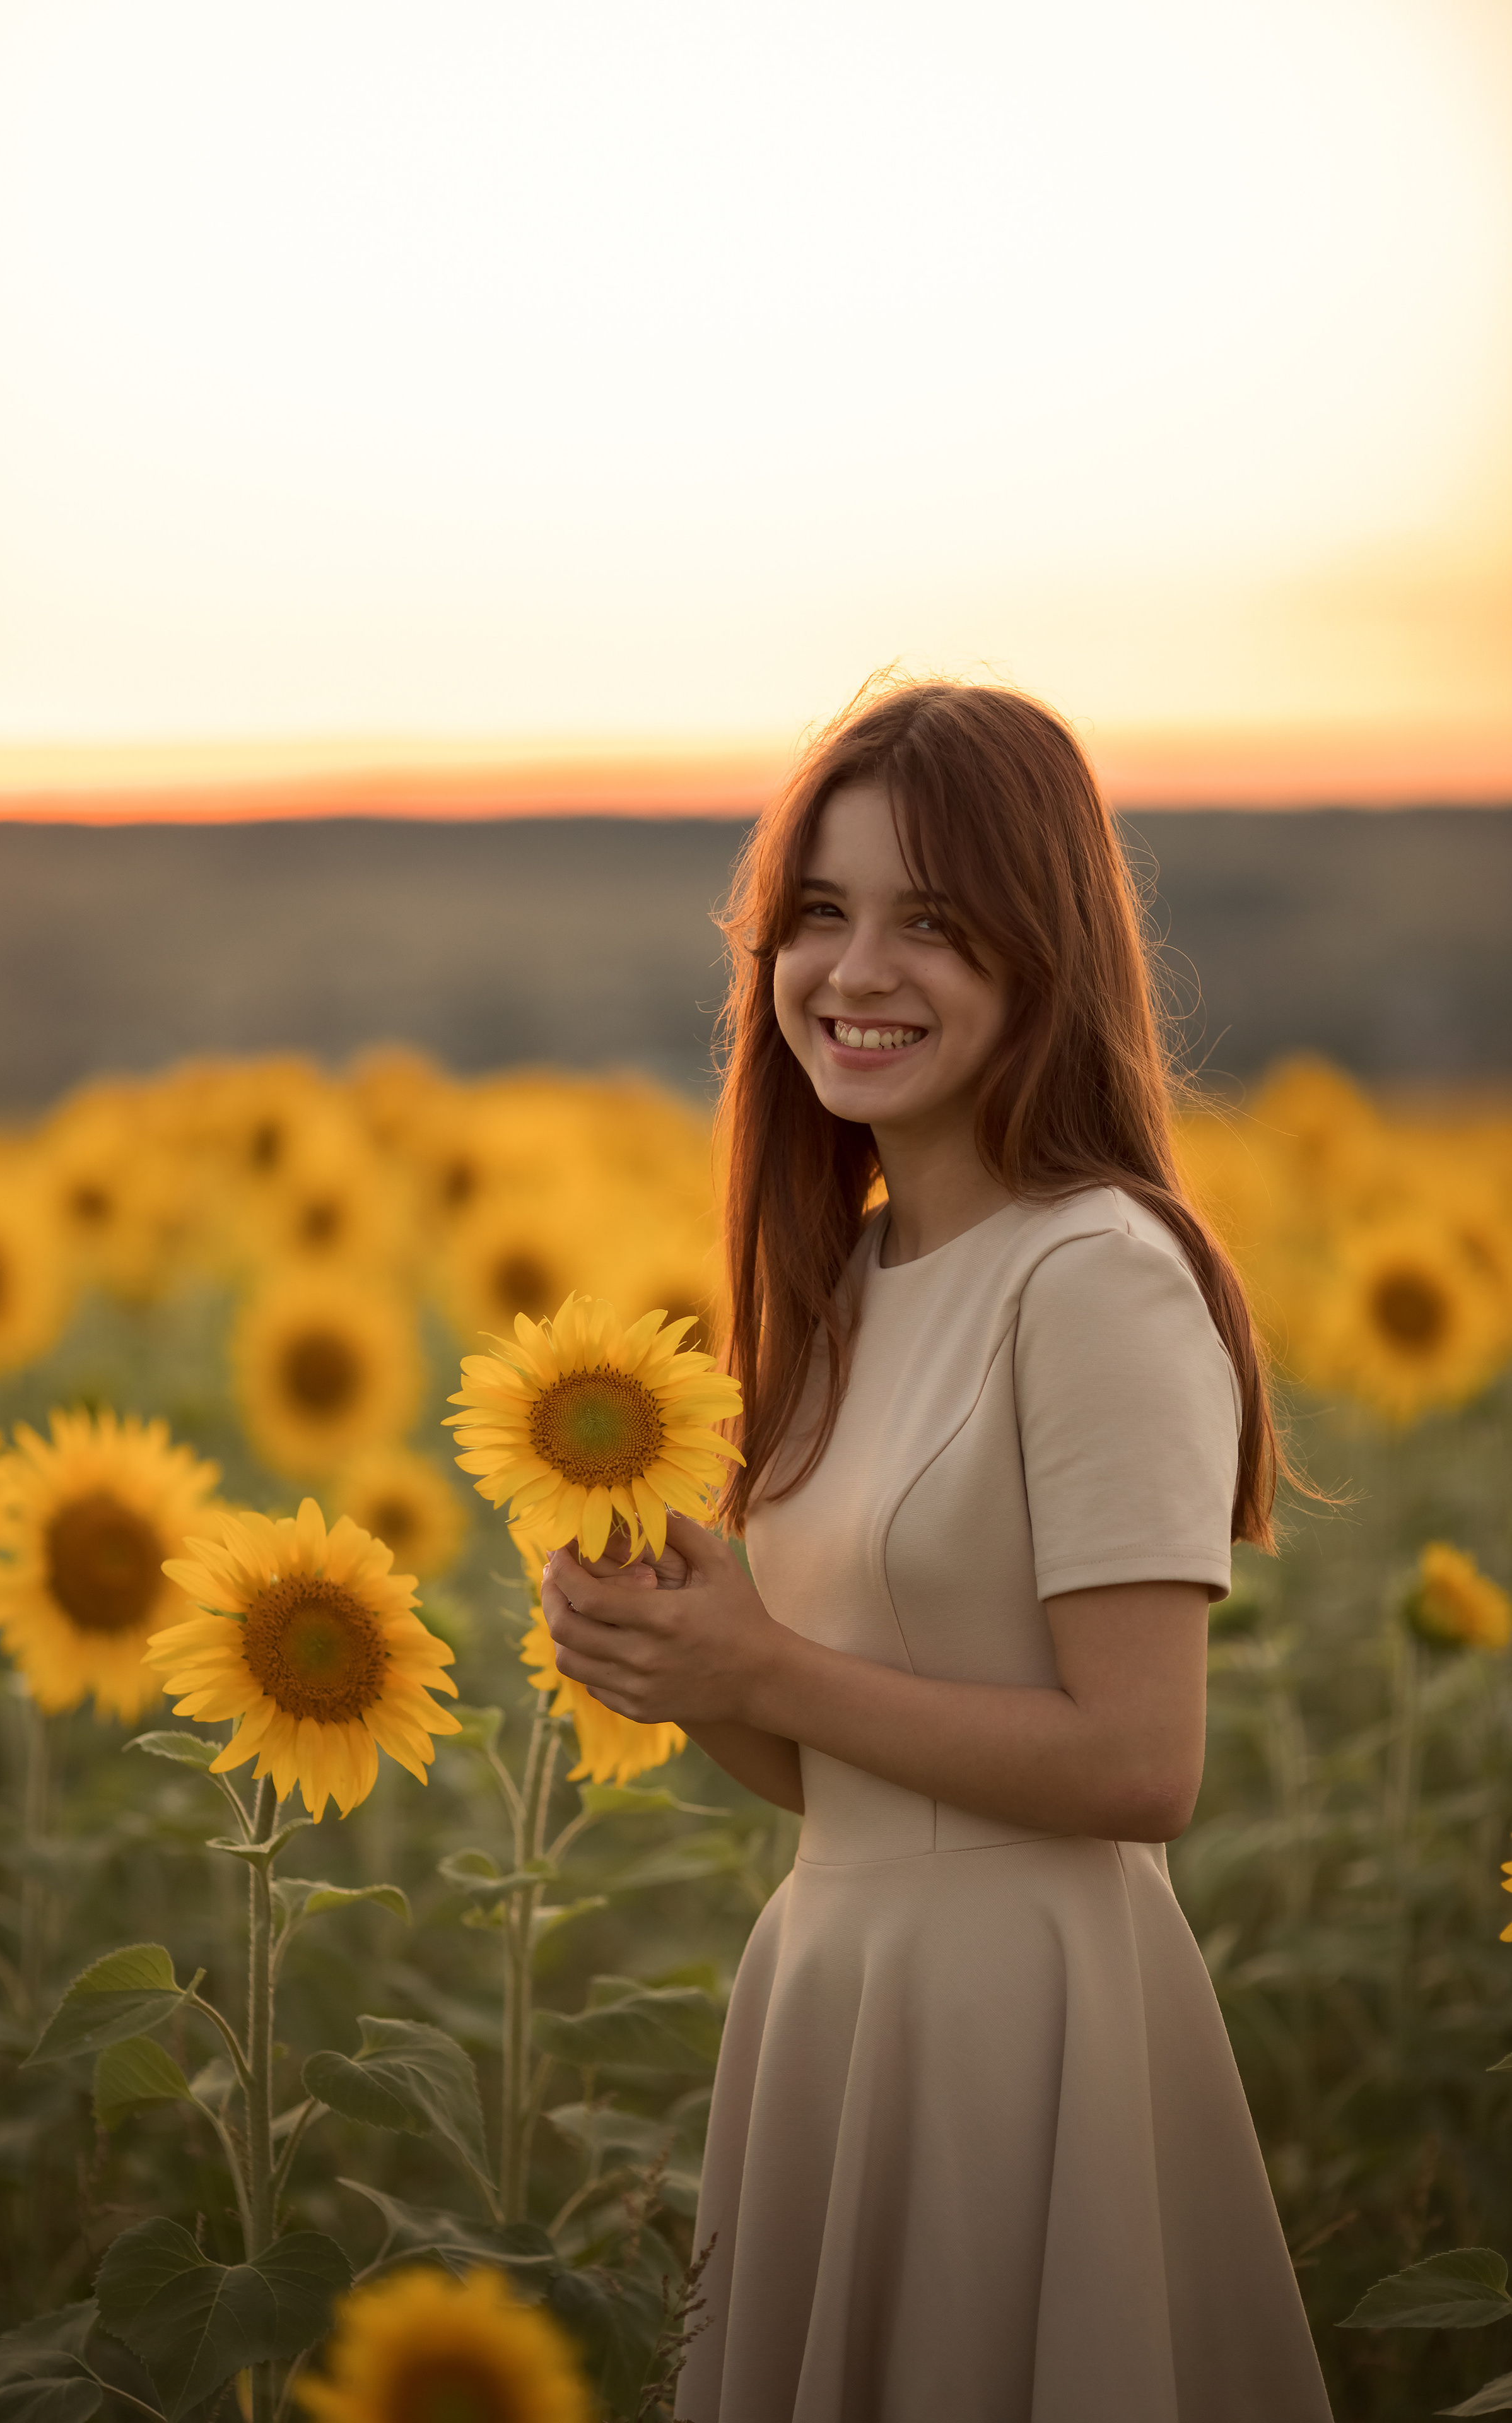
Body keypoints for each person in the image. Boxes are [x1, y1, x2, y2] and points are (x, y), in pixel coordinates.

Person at [540, 679, 1332, 2422]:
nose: (856, 971)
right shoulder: (849, 1290)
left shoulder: (1100, 1276)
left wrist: (767, 1665)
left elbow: (1141, 1764)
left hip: (1026, 2022)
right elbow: (838, 1776)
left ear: (1041, 953)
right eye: (818, 915)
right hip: (833, 1990)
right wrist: (688, 1664)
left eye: (933, 922)